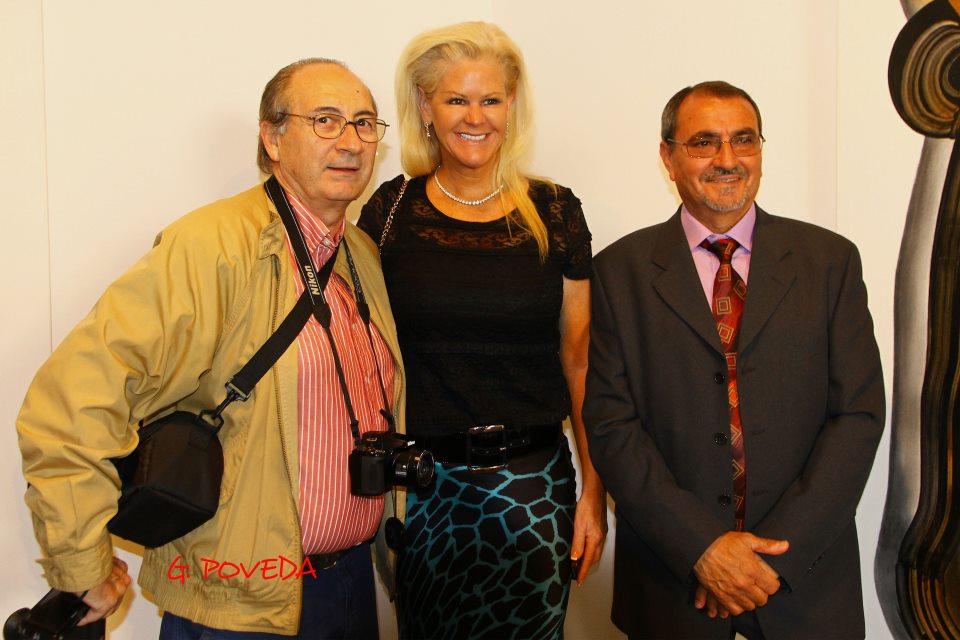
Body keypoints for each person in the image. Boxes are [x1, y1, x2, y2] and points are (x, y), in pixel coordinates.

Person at [16, 58, 404, 639]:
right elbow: (70, 404)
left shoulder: (361, 256)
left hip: (347, 587)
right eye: (325, 120)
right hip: (238, 605)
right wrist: (79, 564)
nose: (350, 141)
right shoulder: (209, 248)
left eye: (364, 123)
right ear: (273, 138)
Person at [583, 81, 885, 640]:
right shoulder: (618, 272)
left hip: (805, 586)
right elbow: (611, 425)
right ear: (668, 156)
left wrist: (770, 559)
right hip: (674, 589)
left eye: (743, 140)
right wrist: (701, 548)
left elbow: (858, 415)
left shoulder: (830, 262)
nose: (727, 158)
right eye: (704, 142)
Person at [356, 21, 606, 640]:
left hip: (533, 490)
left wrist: (594, 495)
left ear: (511, 104)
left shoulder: (555, 210)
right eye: (456, 99)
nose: (475, 117)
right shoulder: (389, 211)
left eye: (490, 99)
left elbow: (580, 360)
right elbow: (360, 353)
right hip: (423, 492)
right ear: (426, 108)